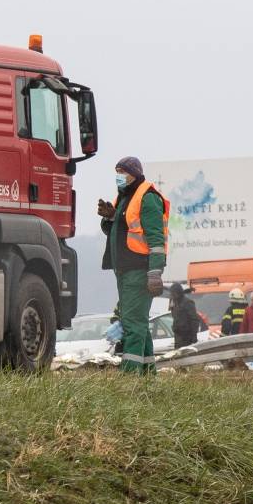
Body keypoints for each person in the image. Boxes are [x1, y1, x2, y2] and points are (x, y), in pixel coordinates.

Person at [99, 156, 168, 374]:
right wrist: (110, 218)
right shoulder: (124, 197)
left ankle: (130, 375)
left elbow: (157, 240)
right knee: (137, 322)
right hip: (125, 270)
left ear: (135, 173)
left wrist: (155, 272)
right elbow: (117, 231)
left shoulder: (147, 198)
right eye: (117, 171)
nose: (119, 176)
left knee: (132, 324)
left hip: (139, 270)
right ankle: (148, 374)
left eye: (123, 171)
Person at [168, 283, 203, 349]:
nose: (172, 295)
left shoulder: (187, 302)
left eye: (173, 293)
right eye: (171, 294)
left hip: (187, 337)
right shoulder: (174, 302)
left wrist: (194, 337)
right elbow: (174, 316)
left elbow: (194, 320)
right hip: (178, 337)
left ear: (178, 293)